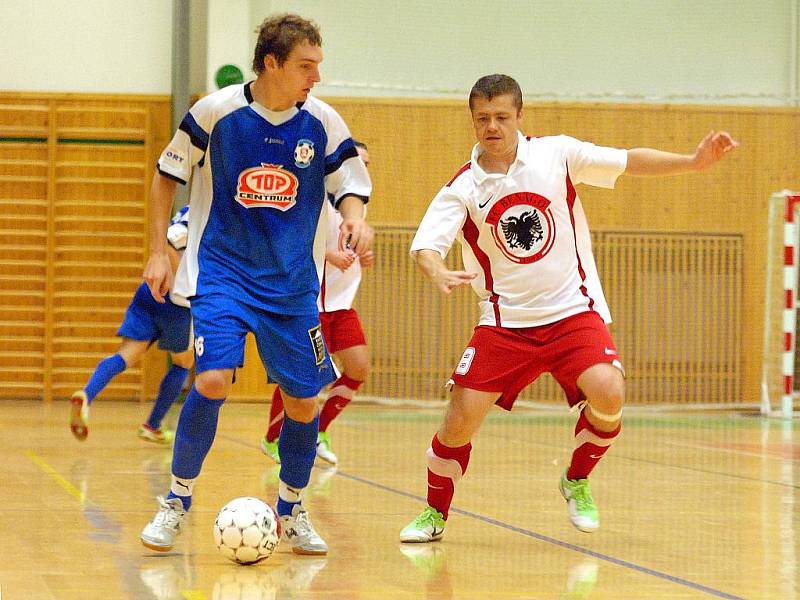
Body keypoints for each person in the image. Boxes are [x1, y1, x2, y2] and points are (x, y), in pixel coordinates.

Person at [399, 74, 738, 543]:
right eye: (483, 118)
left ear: (520, 115)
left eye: (501, 116)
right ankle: (434, 514)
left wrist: (694, 163)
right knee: (458, 421)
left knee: (609, 392)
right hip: (504, 323)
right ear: (472, 121)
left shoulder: (556, 154)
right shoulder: (462, 186)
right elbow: (426, 246)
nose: (492, 126)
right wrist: (434, 269)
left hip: (572, 312)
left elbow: (627, 161)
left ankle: (576, 479)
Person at [139, 13, 372, 556]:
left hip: (292, 285)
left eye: (318, 66)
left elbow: (349, 185)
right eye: (305, 66)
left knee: (303, 401)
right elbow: (164, 178)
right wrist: (158, 252)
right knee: (214, 379)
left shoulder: (323, 122)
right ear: (271, 63)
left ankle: (291, 509)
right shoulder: (215, 113)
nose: (315, 77)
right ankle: (175, 502)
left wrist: (355, 216)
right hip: (223, 272)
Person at [261, 140, 373, 466]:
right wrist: (328, 255)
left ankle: (320, 430)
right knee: (301, 377)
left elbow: (351, 242)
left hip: (341, 302)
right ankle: (273, 437)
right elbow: (287, 243)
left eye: (366, 164)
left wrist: (363, 253)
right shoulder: (312, 197)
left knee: (359, 367)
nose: (361, 169)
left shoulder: (357, 204)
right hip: (311, 301)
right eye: (357, 162)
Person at [69, 205, 192, 444]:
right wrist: (182, 282)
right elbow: (170, 239)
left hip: (149, 291)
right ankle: (152, 425)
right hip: (176, 302)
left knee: (127, 354)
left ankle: (86, 395)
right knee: (183, 362)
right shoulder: (200, 213)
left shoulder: (190, 208)